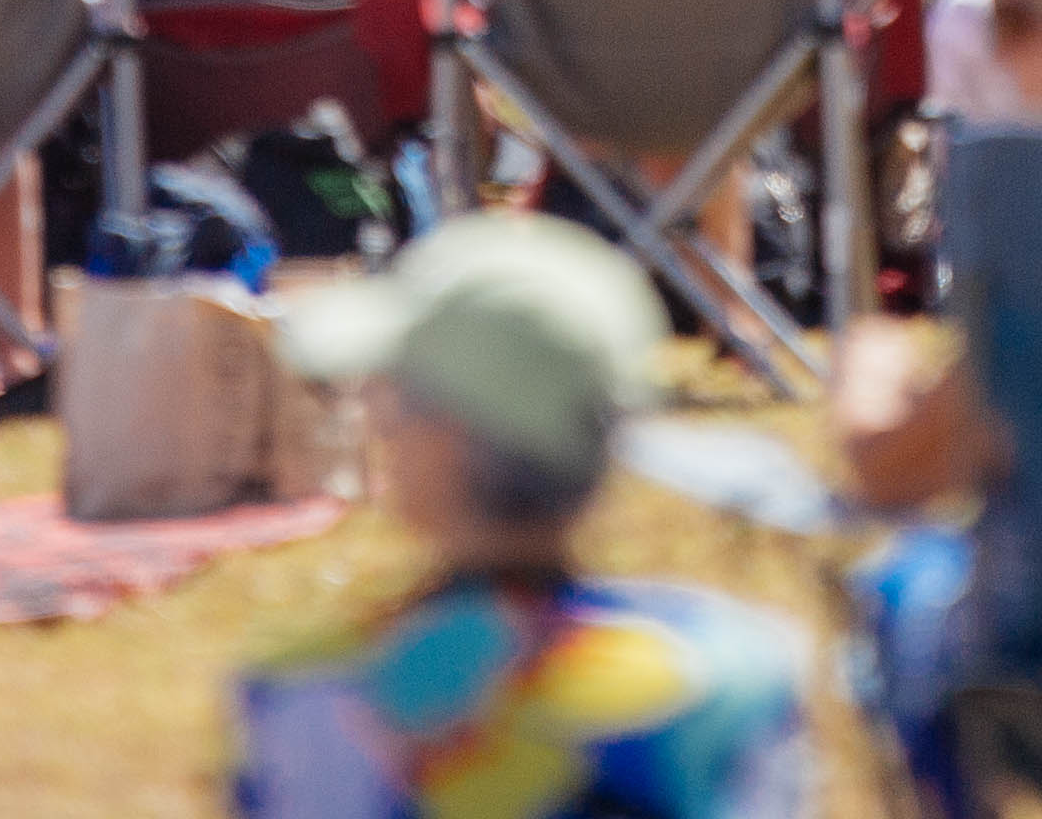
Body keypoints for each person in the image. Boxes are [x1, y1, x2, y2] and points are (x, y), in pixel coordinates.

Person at [240, 216, 816, 816]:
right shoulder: (740, 666)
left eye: (394, 394)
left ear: (448, 439)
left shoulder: (312, 693)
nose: (378, 418)